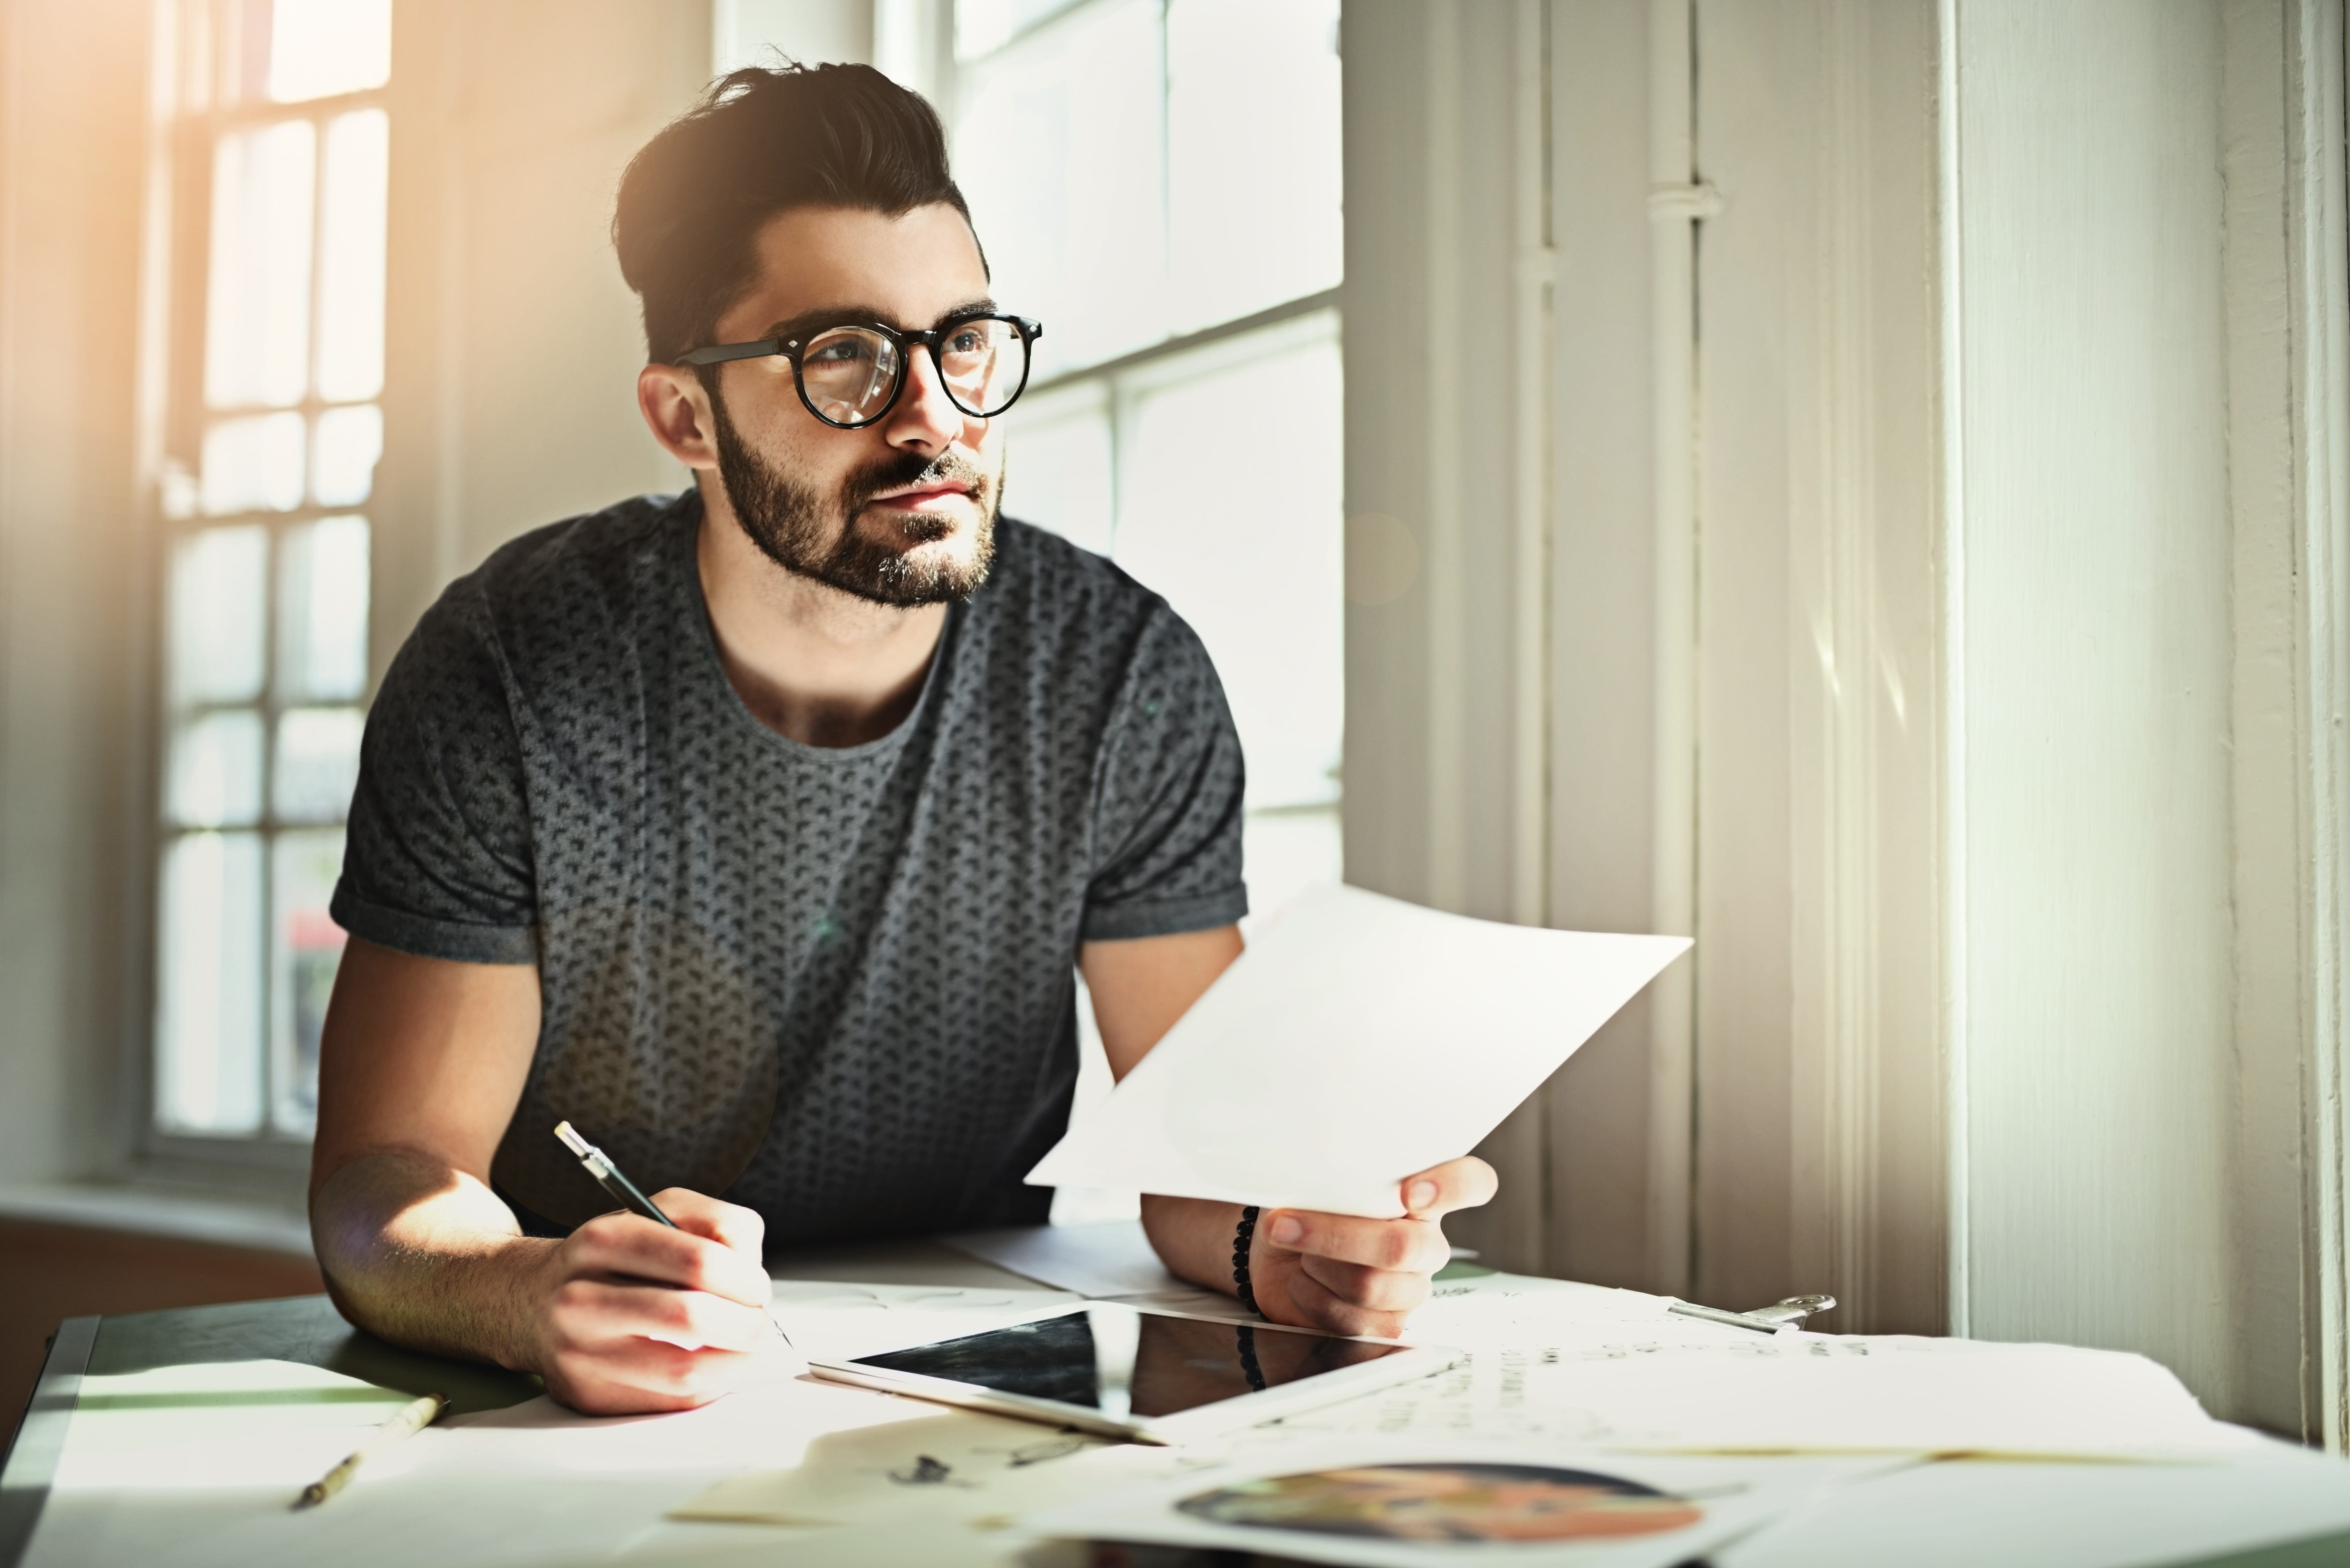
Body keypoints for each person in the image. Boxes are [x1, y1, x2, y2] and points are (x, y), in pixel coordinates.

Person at [307, 61, 1496, 1416]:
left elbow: (1200, 1157)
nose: (932, 413)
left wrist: (1282, 1243)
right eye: (846, 358)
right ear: (684, 417)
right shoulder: (509, 672)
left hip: (979, 1376)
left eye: (964, 340)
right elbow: (378, 1186)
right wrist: (526, 1293)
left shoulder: (1117, 675)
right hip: (583, 1406)